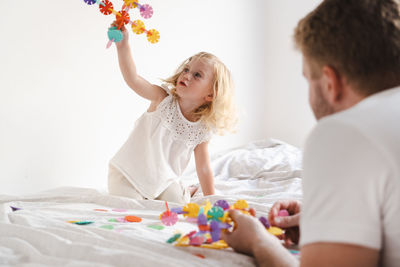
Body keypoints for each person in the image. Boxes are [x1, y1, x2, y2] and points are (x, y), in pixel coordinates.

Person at [222, 0, 400, 266]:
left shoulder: (343, 133)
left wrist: (259, 242)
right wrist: (331, 224)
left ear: (331, 82)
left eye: (308, 79)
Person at [107, 23, 236, 204]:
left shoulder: (202, 129)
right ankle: (177, 191)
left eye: (197, 75)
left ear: (210, 95)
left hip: (162, 181)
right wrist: (123, 46)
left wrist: (212, 200)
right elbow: (134, 79)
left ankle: (186, 191)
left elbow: (204, 167)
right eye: (186, 69)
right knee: (130, 204)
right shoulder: (162, 99)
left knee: (177, 203)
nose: (187, 75)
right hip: (128, 173)